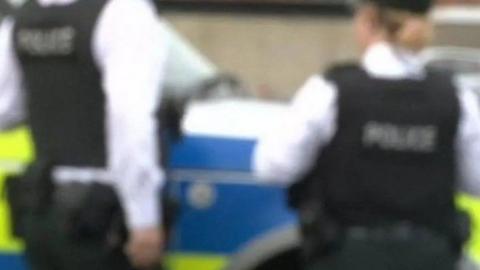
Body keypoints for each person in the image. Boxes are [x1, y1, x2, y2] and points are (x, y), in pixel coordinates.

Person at [254, 0, 480, 270]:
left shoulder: (329, 91)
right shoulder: (455, 98)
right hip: (429, 256)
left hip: (345, 254)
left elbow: (272, 168)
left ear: (368, 22)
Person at [0, 0, 167, 269]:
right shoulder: (125, 12)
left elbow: (5, 109)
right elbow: (128, 119)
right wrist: (144, 217)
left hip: (42, 213)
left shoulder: (24, 18)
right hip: (100, 220)